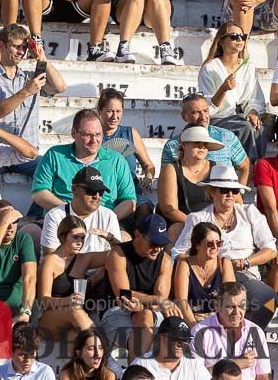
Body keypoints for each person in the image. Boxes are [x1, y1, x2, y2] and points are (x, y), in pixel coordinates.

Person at [175, 165, 278, 329]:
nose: (230, 195)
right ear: (211, 191)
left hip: (245, 274)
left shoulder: (250, 212)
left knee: (269, 298)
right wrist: (211, 263)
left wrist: (245, 262)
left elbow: (271, 249)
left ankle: (240, 335)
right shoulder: (198, 218)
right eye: (224, 190)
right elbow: (178, 253)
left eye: (234, 191)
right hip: (211, 274)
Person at [0, 23, 66, 160]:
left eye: (24, 48)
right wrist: (26, 92)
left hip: (25, 155)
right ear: (2, 45)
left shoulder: (30, 77)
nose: (21, 52)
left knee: (55, 170)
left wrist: (41, 57)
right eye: (16, 46)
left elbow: (60, 87)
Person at [96, 213, 175, 359]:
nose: (158, 249)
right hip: (117, 310)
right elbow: (124, 295)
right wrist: (155, 301)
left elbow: (160, 300)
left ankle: (136, 370)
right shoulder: (118, 254)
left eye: (162, 244)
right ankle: (137, 371)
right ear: (138, 235)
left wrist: (148, 303)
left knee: (148, 317)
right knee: (145, 318)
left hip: (151, 312)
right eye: (153, 243)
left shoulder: (165, 260)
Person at [32, 108, 136, 218]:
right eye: (88, 135)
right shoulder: (55, 155)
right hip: (62, 219)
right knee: (31, 231)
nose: (94, 140)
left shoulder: (116, 160)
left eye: (98, 134)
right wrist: (71, 212)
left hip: (103, 222)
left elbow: (129, 201)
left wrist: (106, 221)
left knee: (125, 236)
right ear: (73, 133)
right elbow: (39, 193)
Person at [199, 23, 268, 163]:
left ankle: (258, 170)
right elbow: (207, 108)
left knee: (258, 127)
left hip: (241, 117)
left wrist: (253, 113)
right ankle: (248, 170)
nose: (239, 40)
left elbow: (255, 99)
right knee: (245, 128)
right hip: (220, 119)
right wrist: (223, 89)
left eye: (242, 37)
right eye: (233, 36)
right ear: (221, 41)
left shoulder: (248, 67)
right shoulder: (209, 68)